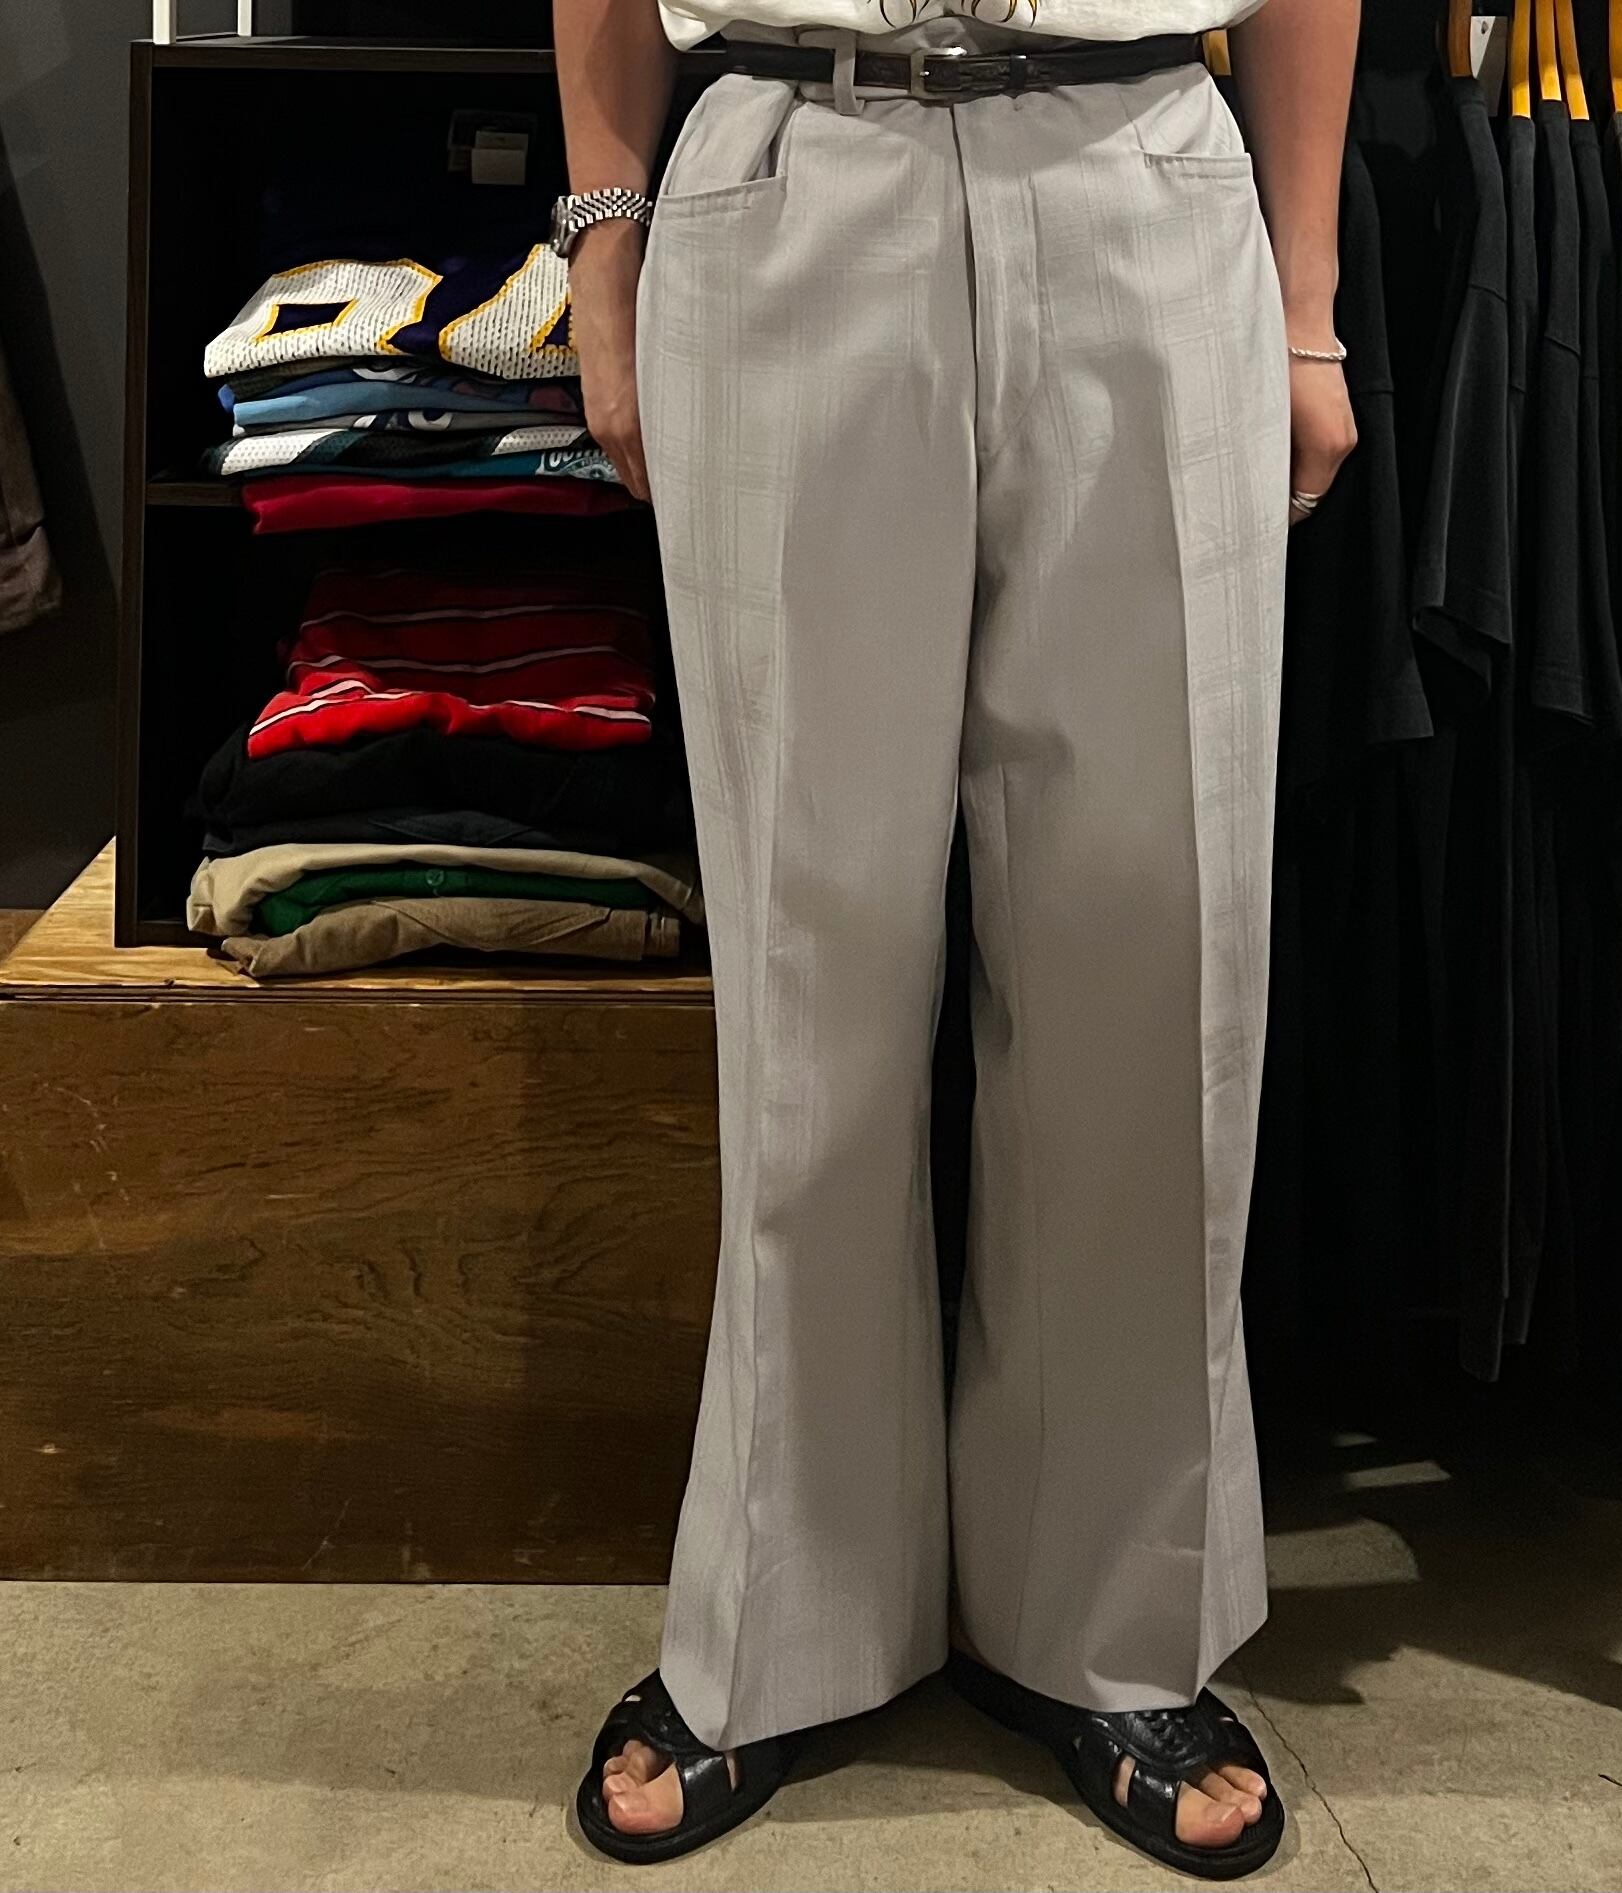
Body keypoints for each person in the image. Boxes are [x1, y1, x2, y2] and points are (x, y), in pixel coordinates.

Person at [553, 0, 1359, 1875]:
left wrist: (1305, 297)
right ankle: (773, 1617)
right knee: (801, 968)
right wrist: (601, 250)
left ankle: (1113, 1625)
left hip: (1137, 159)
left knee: (1145, 949)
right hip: (787, 157)